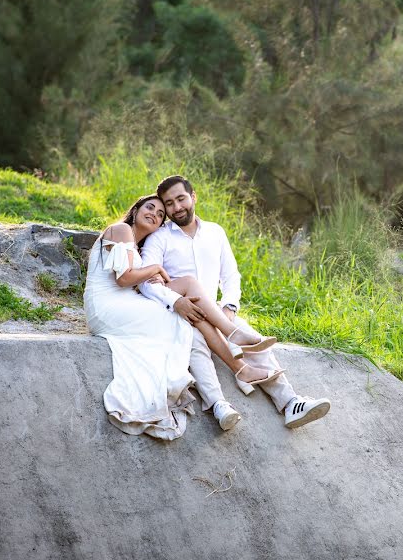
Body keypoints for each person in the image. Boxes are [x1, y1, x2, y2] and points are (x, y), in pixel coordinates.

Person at [84, 195, 286, 438]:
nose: (155, 215)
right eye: (150, 208)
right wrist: (156, 269)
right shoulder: (121, 229)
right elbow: (123, 278)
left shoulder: (136, 245)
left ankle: (238, 356)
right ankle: (235, 346)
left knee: (189, 289)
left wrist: (153, 275)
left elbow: (132, 281)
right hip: (107, 307)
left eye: (160, 214)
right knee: (186, 314)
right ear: (135, 209)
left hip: (122, 305)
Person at [139, 175, 331, 429]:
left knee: (254, 339)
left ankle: (291, 403)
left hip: (217, 312)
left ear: (193, 197)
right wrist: (177, 303)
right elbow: (146, 282)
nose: (177, 208)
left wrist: (228, 308)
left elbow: (231, 275)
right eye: (170, 203)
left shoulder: (215, 232)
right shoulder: (160, 238)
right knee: (195, 343)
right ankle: (218, 405)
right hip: (180, 312)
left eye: (181, 199)